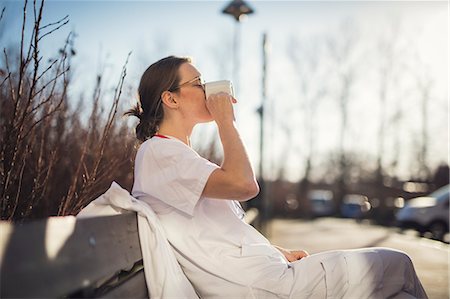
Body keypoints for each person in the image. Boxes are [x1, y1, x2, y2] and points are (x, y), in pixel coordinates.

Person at [125, 55, 428, 298]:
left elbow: (216, 232)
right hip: (259, 286)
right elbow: (243, 184)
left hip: (264, 276)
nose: (207, 89)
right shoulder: (159, 153)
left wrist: (276, 251)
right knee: (399, 265)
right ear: (171, 99)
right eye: (198, 82)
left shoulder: (175, 156)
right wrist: (225, 122)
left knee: (399, 293)